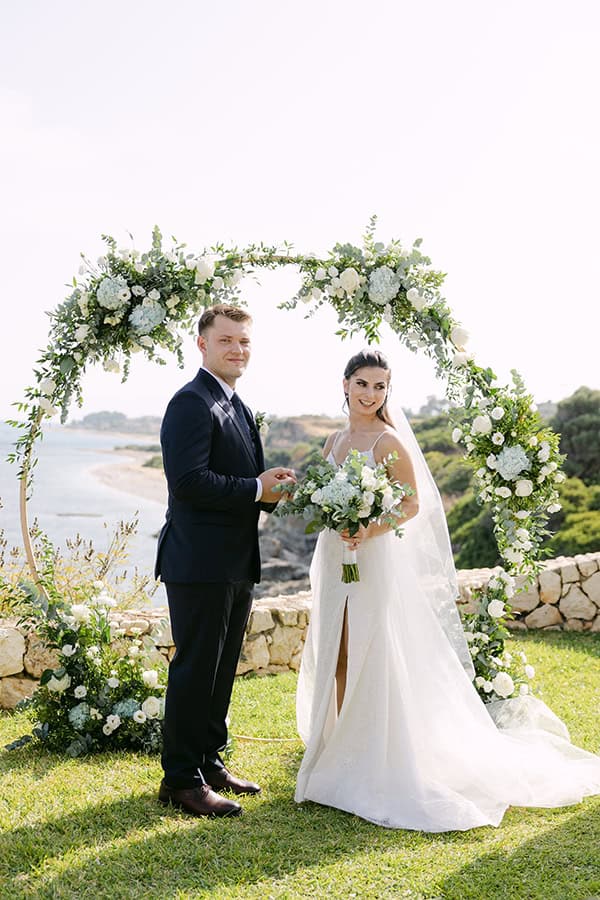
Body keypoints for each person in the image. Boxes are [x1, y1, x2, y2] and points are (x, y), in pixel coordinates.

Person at [295, 349, 600, 832]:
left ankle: (377, 752)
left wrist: (368, 529)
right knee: (336, 652)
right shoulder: (332, 440)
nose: (371, 394)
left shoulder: (389, 440)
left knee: (376, 651)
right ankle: (335, 748)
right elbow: (320, 492)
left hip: (373, 560)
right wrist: (334, 515)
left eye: (381, 386)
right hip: (336, 559)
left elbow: (412, 504)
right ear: (345, 384)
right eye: (363, 383)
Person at [155, 303, 296, 818]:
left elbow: (238, 482)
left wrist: (267, 490)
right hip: (198, 562)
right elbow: (189, 483)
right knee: (195, 668)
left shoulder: (235, 404)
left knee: (221, 668)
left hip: (235, 559)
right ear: (202, 345)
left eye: (244, 342)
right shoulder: (191, 402)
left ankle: (210, 761)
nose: (238, 350)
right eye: (226, 341)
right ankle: (180, 779)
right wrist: (254, 487)